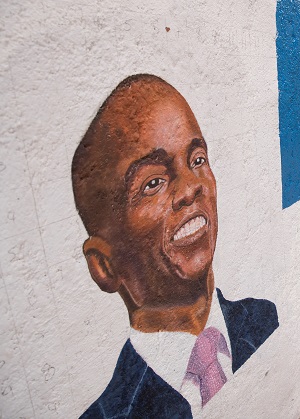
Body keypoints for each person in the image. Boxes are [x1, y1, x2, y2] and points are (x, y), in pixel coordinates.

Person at [72, 74, 279, 418]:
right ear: (104, 266)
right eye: (153, 183)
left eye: (197, 160)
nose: (191, 187)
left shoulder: (263, 319)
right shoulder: (113, 412)